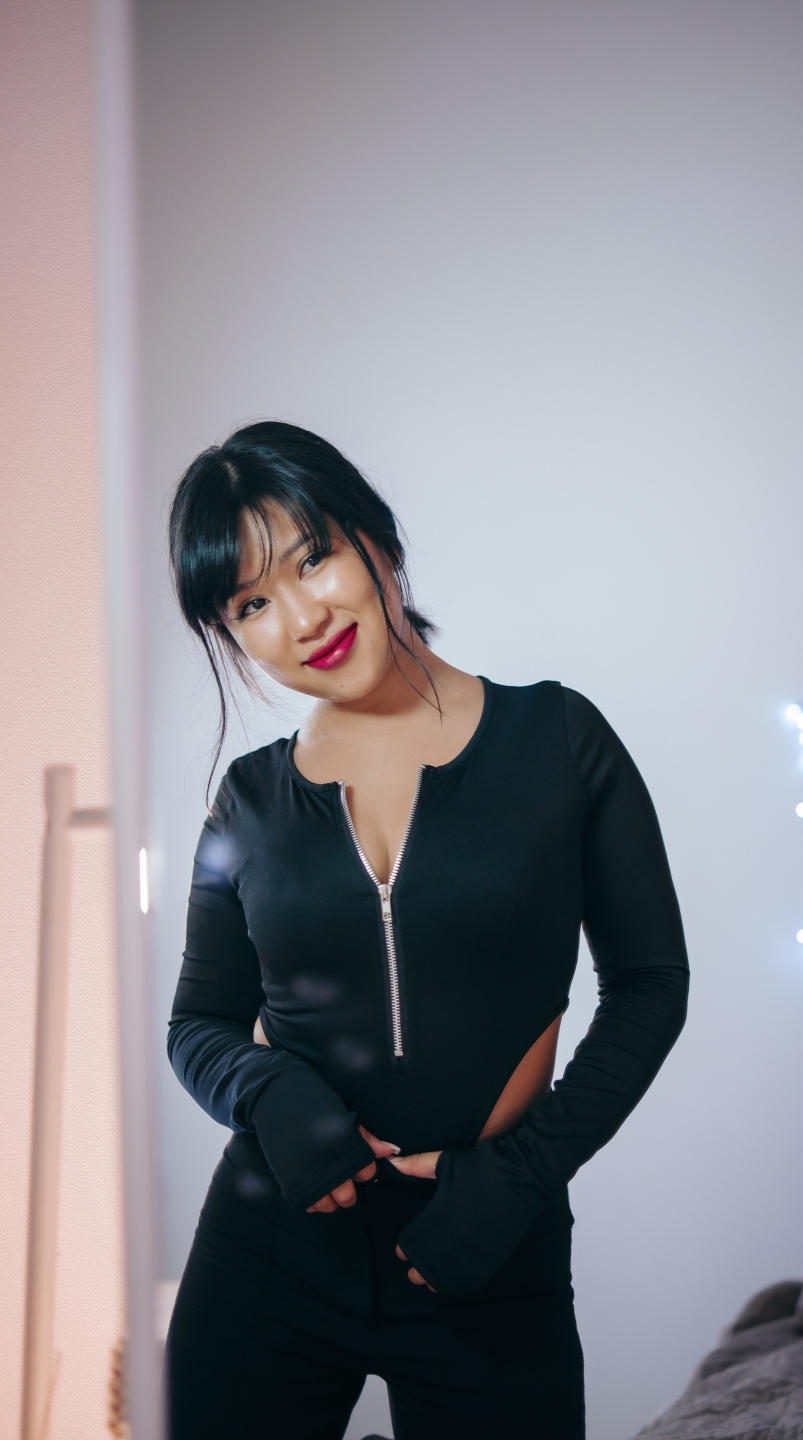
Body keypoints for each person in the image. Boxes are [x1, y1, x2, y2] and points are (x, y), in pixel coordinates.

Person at [162, 419, 690, 1440]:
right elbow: (199, 1024)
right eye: (251, 604)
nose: (302, 618)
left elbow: (649, 984)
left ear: (376, 539)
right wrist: (269, 1094)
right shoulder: (248, 802)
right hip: (269, 1248)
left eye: (312, 558)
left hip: (486, 1246)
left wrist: (522, 1177)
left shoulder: (557, 740)